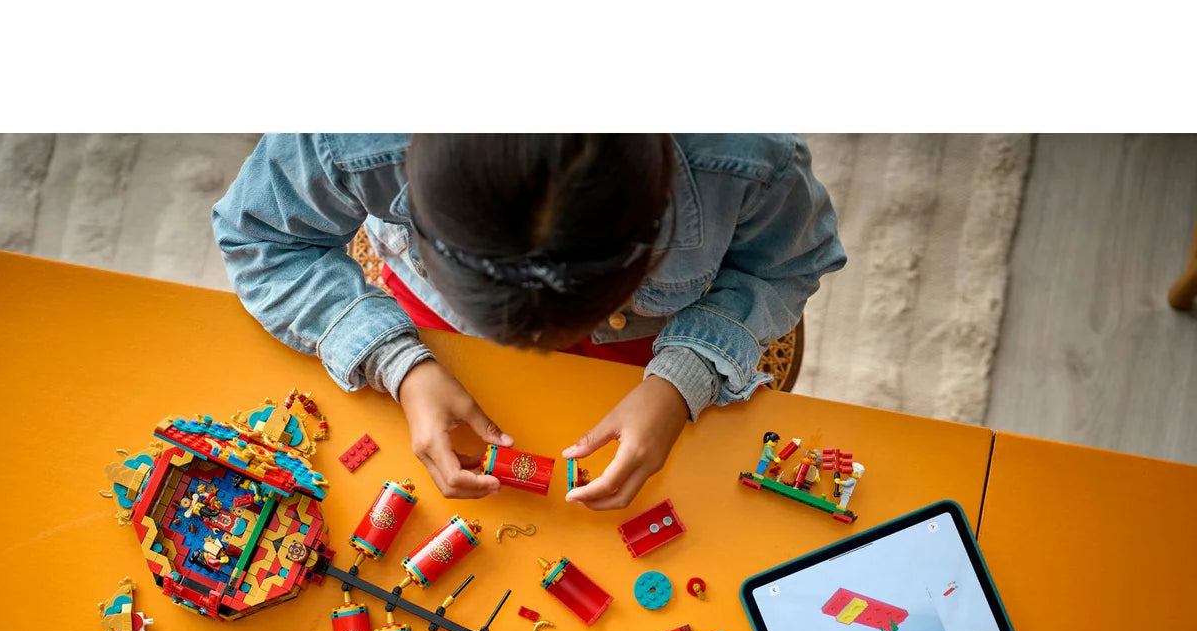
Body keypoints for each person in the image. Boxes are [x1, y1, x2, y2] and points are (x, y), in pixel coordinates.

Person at [212, 134, 844, 510]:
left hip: (654, 331)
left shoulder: (744, 156)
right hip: (429, 321)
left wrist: (685, 377)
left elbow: (785, 266)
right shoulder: (349, 134)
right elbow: (260, 238)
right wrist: (397, 361)